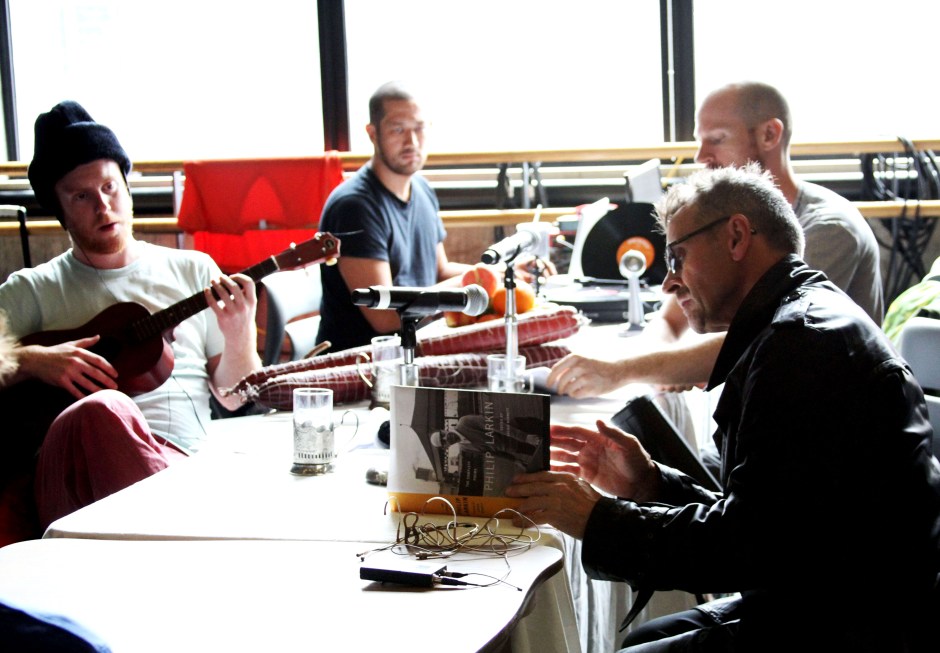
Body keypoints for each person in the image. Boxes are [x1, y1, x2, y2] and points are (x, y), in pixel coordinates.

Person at [508, 164, 940, 651]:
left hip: (858, 620)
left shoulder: (802, 346)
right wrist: (650, 483)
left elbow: (747, 547)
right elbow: (772, 518)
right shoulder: (797, 319)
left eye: (678, 256)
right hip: (825, 587)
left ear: (736, 236)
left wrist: (596, 520)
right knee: (648, 636)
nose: (668, 283)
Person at [0, 101, 261, 533]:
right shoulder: (30, 289)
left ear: (127, 185)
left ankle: (171, 525)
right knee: (104, 407)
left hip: (180, 466)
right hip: (71, 481)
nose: (103, 208)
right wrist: (31, 361)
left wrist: (239, 336)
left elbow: (235, 398)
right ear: (58, 208)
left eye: (109, 188)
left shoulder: (194, 270)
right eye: (81, 196)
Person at [549, 81, 884, 398]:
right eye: (700, 140)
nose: (700, 156)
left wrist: (622, 371)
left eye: (717, 139)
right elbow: (670, 318)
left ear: (770, 134)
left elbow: (761, 339)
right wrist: (658, 367)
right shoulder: (724, 224)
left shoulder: (831, 228)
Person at [316, 81, 551, 352]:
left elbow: (440, 270)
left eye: (419, 128)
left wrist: (506, 273)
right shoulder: (354, 207)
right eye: (398, 129)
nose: (411, 141)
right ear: (372, 133)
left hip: (419, 340)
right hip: (365, 358)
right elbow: (384, 317)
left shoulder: (421, 188)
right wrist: (480, 278)